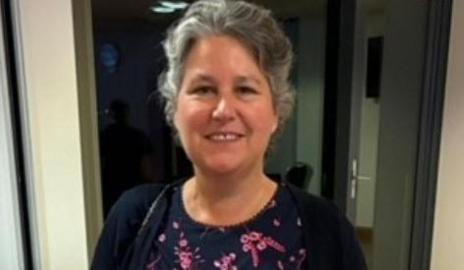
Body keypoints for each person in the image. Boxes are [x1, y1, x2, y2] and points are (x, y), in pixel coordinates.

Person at [91, 0, 367, 269]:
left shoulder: (327, 231)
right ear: (174, 109)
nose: (223, 110)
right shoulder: (133, 219)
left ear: (276, 111)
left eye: (245, 90)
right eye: (204, 89)